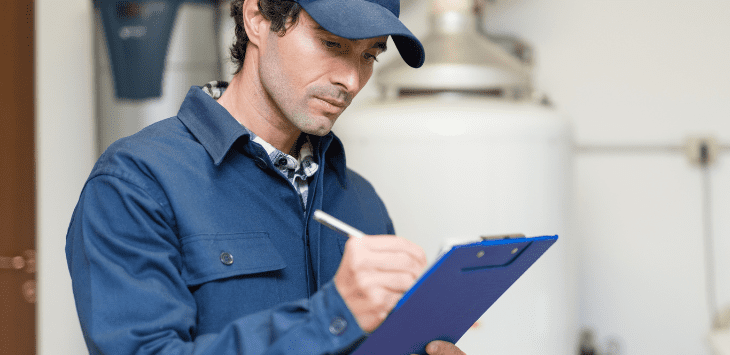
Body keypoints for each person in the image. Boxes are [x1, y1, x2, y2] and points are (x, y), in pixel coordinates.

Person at [65, 0, 466, 354]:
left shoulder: (359, 199)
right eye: (332, 44)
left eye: (369, 56)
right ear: (257, 17)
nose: (352, 80)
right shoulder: (136, 184)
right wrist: (331, 316)